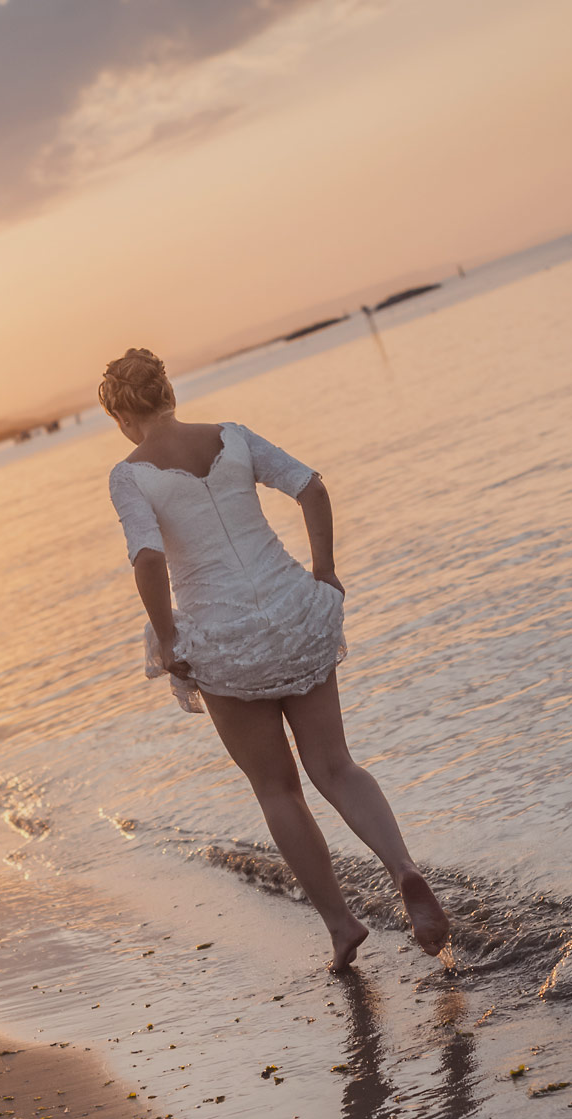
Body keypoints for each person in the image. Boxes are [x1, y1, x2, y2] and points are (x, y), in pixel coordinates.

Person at [101, 347, 450, 970]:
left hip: (225, 640)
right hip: (293, 613)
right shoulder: (232, 436)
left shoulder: (130, 474)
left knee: (277, 788)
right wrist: (325, 572)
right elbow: (312, 489)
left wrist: (169, 637)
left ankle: (342, 926)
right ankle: (402, 868)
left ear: (123, 417)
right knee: (335, 766)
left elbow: (149, 559)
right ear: (168, 392)